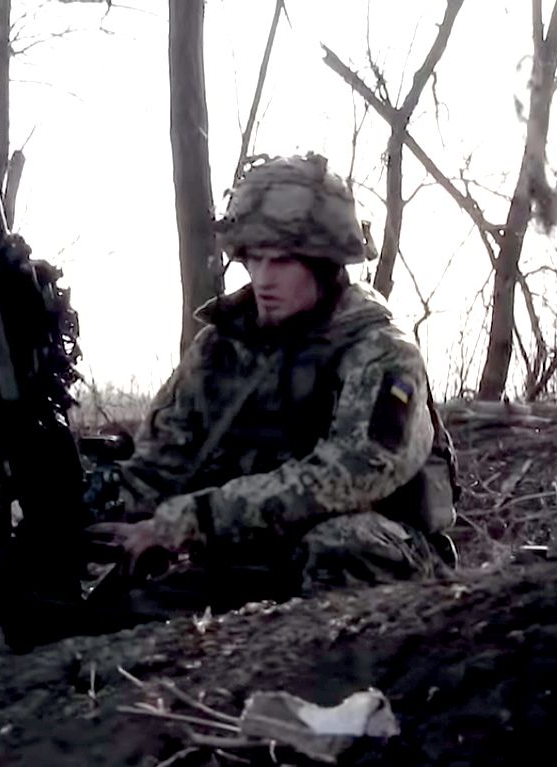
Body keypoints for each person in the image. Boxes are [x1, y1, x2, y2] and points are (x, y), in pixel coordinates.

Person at [85, 152, 459, 605]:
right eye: (253, 259)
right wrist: (95, 500)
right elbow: (163, 463)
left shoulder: (380, 349)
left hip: (383, 552)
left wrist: (193, 520)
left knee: (341, 545)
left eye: (281, 261)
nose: (263, 279)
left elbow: (354, 475)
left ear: (325, 264)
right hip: (247, 549)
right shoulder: (221, 346)